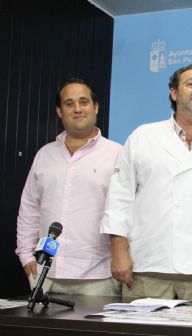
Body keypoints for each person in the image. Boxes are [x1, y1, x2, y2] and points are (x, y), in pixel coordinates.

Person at [101, 64, 192, 301]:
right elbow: (119, 198)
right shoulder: (143, 137)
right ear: (174, 93)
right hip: (149, 266)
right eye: (191, 84)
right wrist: (119, 252)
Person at [15, 78, 122, 296]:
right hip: (45, 274)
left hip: (98, 276)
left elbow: (126, 213)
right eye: (69, 103)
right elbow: (29, 209)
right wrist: (25, 255)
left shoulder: (118, 154)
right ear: (59, 110)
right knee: (40, 332)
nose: (77, 109)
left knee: (93, 332)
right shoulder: (45, 155)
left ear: (96, 107)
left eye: (83, 102)